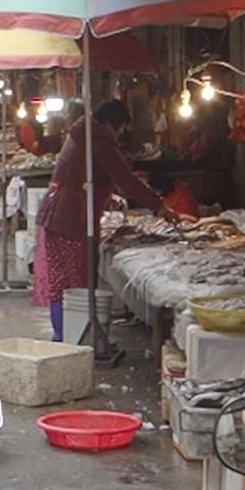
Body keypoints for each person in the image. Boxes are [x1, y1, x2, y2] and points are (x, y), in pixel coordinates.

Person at [33, 99, 174, 341]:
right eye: (119, 129)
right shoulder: (97, 138)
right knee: (77, 282)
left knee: (61, 281)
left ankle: (63, 335)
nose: (119, 135)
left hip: (57, 214)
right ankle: (76, 338)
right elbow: (126, 180)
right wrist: (159, 205)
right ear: (111, 123)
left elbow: (94, 175)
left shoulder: (82, 132)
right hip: (71, 218)